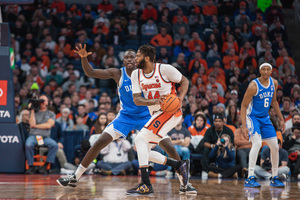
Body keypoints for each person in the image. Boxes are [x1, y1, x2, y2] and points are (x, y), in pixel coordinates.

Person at [57, 44, 196, 195]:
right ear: (123, 60)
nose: (131, 59)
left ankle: (185, 183)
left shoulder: (146, 72)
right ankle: (75, 177)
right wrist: (84, 58)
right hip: (125, 116)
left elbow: (172, 83)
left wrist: (174, 99)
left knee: (168, 147)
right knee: (99, 143)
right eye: (127, 57)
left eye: (133, 56)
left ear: (138, 60)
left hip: (147, 115)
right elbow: (90, 72)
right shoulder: (118, 74)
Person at [127, 44, 190, 195]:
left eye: (137, 56)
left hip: (171, 111)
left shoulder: (164, 69)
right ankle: (178, 165)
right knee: (144, 151)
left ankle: (146, 183)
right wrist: (155, 102)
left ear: (147, 58)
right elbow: (137, 99)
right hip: (156, 113)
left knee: (139, 139)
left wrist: (180, 99)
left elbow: (185, 81)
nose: (135, 59)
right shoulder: (135, 74)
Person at [241, 62, 286, 188]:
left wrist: (281, 119)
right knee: (257, 143)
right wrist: (244, 126)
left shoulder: (274, 83)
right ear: (260, 71)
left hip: (265, 118)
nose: (266, 72)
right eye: (263, 69)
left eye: (268, 69)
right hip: (253, 117)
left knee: (275, 147)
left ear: (271, 72)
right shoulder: (253, 86)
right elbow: (244, 106)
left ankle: (275, 177)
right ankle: (250, 177)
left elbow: (274, 102)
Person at [25, 95, 58, 174]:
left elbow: (48, 125)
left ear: (47, 102)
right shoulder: (33, 112)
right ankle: (31, 165)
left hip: (45, 137)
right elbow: (31, 123)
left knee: (54, 145)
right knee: (28, 145)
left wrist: (35, 126)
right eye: (41, 100)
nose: (43, 102)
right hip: (33, 136)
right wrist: (32, 109)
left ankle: (46, 164)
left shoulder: (51, 114)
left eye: (44, 100)